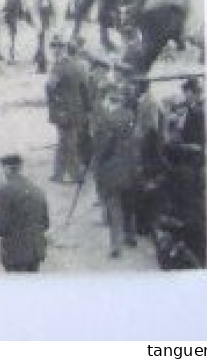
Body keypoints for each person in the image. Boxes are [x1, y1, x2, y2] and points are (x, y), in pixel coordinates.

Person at [92, 89, 140, 258]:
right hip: (131, 169)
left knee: (114, 207)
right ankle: (131, 236)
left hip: (112, 171)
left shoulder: (107, 120)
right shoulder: (131, 116)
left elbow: (103, 148)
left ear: (111, 102)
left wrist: (96, 161)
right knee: (129, 205)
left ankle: (115, 245)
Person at [0, 153, 50, 272]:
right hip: (36, 250)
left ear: (7, 169)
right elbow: (45, 223)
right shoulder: (36, 189)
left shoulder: (5, 191)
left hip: (16, 252)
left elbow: (1, 227)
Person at [46, 38, 91, 183]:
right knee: (67, 141)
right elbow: (85, 88)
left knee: (67, 142)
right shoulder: (78, 65)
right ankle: (60, 173)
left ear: (61, 49)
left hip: (63, 112)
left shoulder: (58, 67)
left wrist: (54, 103)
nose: (54, 51)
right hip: (77, 110)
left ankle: (72, 174)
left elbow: (50, 87)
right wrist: (86, 108)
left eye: (55, 48)